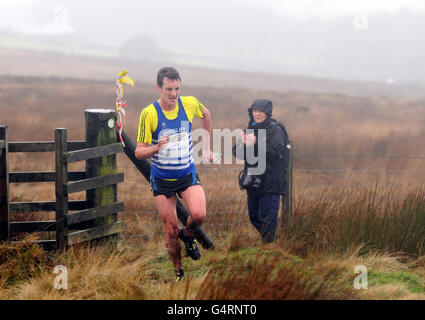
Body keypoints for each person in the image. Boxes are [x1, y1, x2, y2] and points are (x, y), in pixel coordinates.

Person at [135, 67, 213, 282]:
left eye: (177, 88)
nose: (173, 93)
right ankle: (179, 273)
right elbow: (139, 151)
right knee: (169, 231)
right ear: (158, 88)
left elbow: (205, 113)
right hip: (162, 179)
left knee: (198, 215)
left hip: (187, 173)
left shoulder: (188, 104)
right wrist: (156, 148)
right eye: (168, 89)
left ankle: (187, 235)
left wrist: (206, 147)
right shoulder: (149, 114)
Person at [232, 99, 289, 243]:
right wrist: (245, 145)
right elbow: (237, 152)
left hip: (271, 182)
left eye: (261, 111)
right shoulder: (250, 129)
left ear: (268, 113)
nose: (257, 114)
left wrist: (257, 143)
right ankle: (268, 243)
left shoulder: (276, 129)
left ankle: (268, 247)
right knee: (254, 217)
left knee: (267, 217)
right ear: (251, 112)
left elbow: (277, 152)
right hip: (253, 182)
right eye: (255, 111)